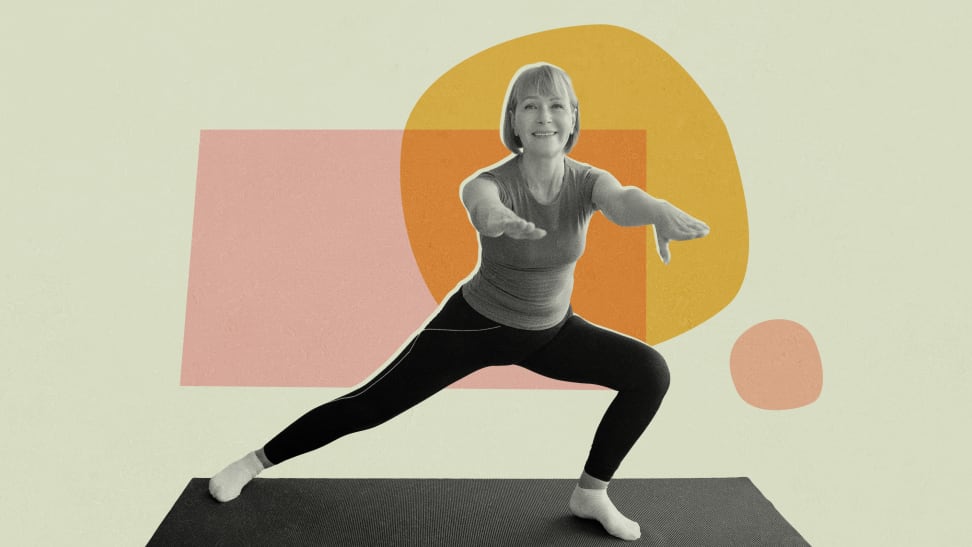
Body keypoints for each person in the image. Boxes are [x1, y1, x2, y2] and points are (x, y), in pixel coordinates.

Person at [208, 62, 709, 541]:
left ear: (573, 117)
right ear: (513, 119)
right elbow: (482, 210)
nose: (544, 117)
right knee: (369, 406)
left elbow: (623, 202)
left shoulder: (587, 181)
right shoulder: (489, 182)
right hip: (477, 326)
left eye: (557, 105)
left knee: (649, 372)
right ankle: (254, 461)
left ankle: (590, 494)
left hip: (551, 332)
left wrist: (657, 210)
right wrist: (500, 221)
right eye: (530, 106)